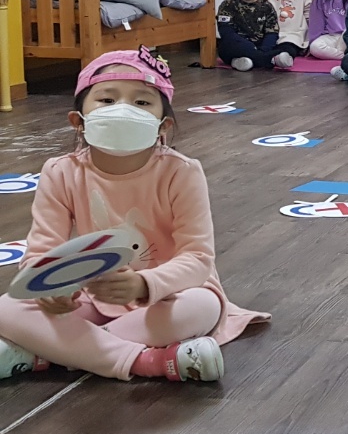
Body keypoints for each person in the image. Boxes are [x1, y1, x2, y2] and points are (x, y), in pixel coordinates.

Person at [0, 49, 269, 383]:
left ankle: (57, 352)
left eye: (142, 102)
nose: (122, 110)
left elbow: (198, 259)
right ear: (78, 121)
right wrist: (51, 290)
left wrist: (144, 284)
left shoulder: (181, 171)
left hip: (169, 295)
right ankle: (147, 361)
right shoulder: (60, 171)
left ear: (163, 125)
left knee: (204, 306)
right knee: (7, 307)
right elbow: (40, 254)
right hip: (93, 298)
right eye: (106, 100)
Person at [216, 0, 285, 72]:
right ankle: (270, 60)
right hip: (238, 45)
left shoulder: (266, 6)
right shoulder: (228, 5)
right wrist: (248, 46)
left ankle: (245, 61)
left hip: (260, 45)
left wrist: (264, 49)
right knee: (225, 48)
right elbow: (226, 31)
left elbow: (272, 32)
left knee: (285, 45)